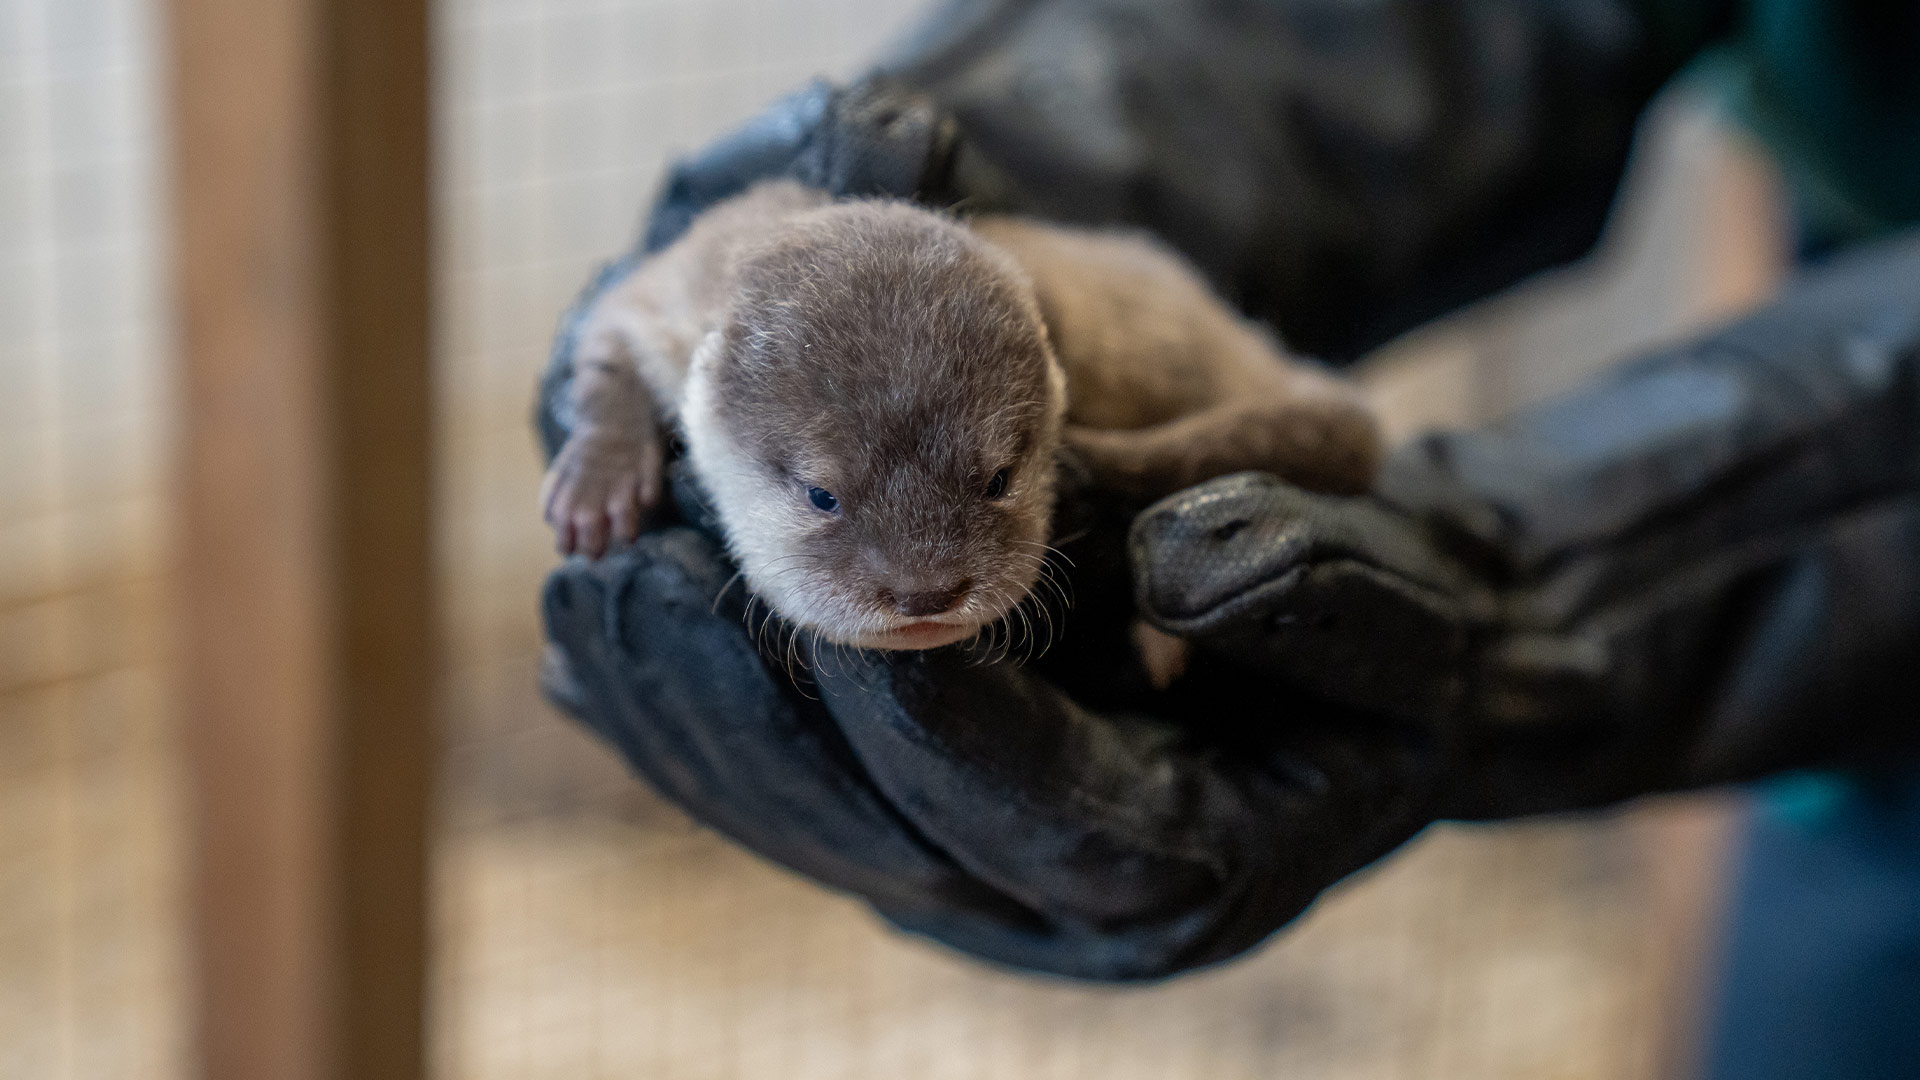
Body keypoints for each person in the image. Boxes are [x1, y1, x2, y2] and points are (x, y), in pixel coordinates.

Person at [536, 1, 1920, 1073]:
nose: (923, 581)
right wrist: (1094, 117)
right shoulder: (702, 326)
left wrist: (1552, 574)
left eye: (994, 496)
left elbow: (1296, 437)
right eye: (830, 504)